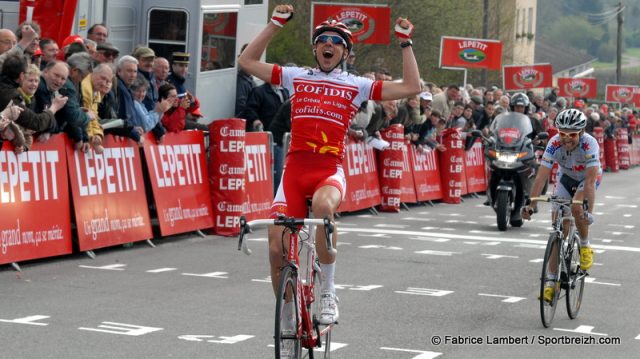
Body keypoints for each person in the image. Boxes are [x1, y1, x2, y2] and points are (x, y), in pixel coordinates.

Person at [238, 4, 420, 326]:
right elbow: (247, 62)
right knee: (275, 249)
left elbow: (411, 88)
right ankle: (287, 309)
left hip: (328, 172)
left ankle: (328, 291)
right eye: (324, 40)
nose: (329, 45)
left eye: (337, 41)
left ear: (345, 53)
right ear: (315, 48)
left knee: (323, 208)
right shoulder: (297, 77)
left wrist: (405, 43)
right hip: (294, 173)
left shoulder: (357, 84)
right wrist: (275, 24)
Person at [522, 109, 600, 303]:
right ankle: (550, 284)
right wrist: (530, 204)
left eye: (571, 135)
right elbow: (541, 176)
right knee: (559, 231)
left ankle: (584, 245)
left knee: (576, 208)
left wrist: (588, 212)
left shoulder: (590, 144)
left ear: (581, 133)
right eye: (562, 133)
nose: (566, 139)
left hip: (586, 180)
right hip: (565, 179)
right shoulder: (554, 143)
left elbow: (590, 183)